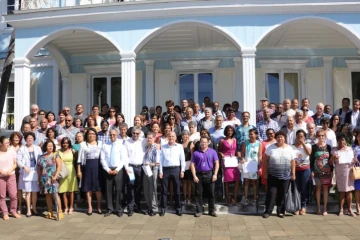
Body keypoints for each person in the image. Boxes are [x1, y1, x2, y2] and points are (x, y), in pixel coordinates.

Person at [263, 131, 296, 218]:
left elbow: (293, 162)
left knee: (282, 194)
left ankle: (280, 211)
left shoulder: (290, 148)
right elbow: (265, 160)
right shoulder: (270, 148)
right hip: (272, 175)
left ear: (284, 138)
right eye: (278, 137)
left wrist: (293, 174)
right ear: (276, 138)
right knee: (271, 193)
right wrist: (265, 172)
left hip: (286, 176)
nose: (280, 138)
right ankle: (268, 211)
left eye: (282, 137)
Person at [101, 129, 129, 217]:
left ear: (117, 135)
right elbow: (102, 159)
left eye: (114, 135)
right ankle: (110, 208)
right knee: (108, 190)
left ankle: (118, 209)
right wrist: (107, 169)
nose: (112, 136)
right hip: (108, 170)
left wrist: (117, 169)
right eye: (110, 135)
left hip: (118, 170)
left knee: (118, 189)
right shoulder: (105, 145)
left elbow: (123, 159)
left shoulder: (121, 145)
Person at [191, 136, 219, 217]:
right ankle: (199, 211)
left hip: (209, 174)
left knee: (211, 193)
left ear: (208, 143)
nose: (203, 143)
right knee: (198, 193)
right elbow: (192, 165)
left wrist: (215, 174)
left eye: (205, 142)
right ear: (200, 143)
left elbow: (216, 163)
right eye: (202, 142)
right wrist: (194, 175)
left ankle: (211, 210)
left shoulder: (213, 152)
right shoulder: (196, 153)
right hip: (199, 174)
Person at [77, 128, 103, 215]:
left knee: (98, 188)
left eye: (93, 134)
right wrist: (79, 171)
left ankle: (99, 206)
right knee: (88, 188)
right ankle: (90, 207)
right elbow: (79, 159)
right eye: (89, 134)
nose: (91, 135)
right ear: (87, 135)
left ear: (96, 135)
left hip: (98, 167)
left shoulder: (100, 144)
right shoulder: (83, 144)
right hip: (87, 167)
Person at [159, 131, 185, 216]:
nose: (171, 138)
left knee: (177, 190)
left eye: (173, 136)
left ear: (175, 137)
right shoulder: (163, 147)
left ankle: (178, 208)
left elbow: (182, 159)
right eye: (169, 136)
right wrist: (161, 171)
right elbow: (161, 160)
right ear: (167, 137)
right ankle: (163, 208)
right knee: (164, 190)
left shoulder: (179, 146)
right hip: (166, 170)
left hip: (176, 169)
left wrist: (182, 170)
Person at [331, 133, 356, 217]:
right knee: (341, 191)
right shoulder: (334, 150)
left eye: (343, 140)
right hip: (340, 172)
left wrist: (355, 160)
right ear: (337, 141)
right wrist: (334, 158)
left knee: (349, 191)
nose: (341, 142)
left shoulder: (349, 149)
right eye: (339, 140)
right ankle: (341, 209)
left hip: (349, 171)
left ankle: (349, 209)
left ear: (345, 141)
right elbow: (330, 162)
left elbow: (353, 160)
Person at [17, 132, 42, 217]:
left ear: (34, 139)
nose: (30, 139)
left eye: (31, 138)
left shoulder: (38, 148)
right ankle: (28, 210)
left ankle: (34, 208)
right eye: (28, 138)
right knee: (28, 192)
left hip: (35, 171)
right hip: (27, 172)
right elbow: (18, 161)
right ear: (25, 139)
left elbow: (40, 160)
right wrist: (24, 167)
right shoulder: (22, 149)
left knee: (35, 192)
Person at [37, 140, 63, 220]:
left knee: (55, 195)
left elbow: (59, 166)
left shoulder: (56, 155)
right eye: (48, 146)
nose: (50, 147)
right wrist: (38, 179)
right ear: (45, 147)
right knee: (47, 195)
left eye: (51, 146)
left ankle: (60, 211)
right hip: (44, 179)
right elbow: (39, 169)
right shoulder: (41, 157)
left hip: (53, 178)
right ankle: (50, 210)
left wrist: (55, 176)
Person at [124, 126, 147, 216]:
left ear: (140, 133)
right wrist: (126, 168)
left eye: (137, 133)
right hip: (131, 168)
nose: (135, 135)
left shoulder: (143, 141)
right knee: (130, 188)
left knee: (138, 188)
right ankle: (130, 208)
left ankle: (137, 207)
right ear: (131, 133)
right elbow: (125, 156)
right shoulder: (127, 142)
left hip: (140, 168)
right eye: (133, 133)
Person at [310, 129, 333, 215]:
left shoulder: (329, 147)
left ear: (325, 137)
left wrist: (331, 171)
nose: (321, 137)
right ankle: (318, 208)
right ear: (316, 136)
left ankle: (325, 208)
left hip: (326, 172)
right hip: (317, 171)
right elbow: (311, 160)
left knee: (326, 189)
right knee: (318, 189)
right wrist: (311, 170)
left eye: (322, 135)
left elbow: (330, 160)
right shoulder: (314, 147)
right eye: (319, 135)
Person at [0, 136, 21, 220]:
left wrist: (10, 170)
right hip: (1, 176)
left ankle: (13, 211)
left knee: (13, 194)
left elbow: (15, 163)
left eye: (8, 142)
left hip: (11, 175)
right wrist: (1, 171)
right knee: (2, 196)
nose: (8, 144)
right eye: (6, 143)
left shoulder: (11, 151)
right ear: (0, 144)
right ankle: (4, 212)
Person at [218, 125, 240, 205]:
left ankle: (234, 197)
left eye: (231, 130)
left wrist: (239, 155)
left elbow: (236, 150)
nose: (230, 132)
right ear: (226, 131)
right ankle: (228, 198)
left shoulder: (235, 140)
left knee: (237, 179)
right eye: (228, 130)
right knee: (227, 181)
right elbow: (219, 150)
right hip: (226, 162)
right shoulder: (222, 140)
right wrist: (221, 154)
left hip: (234, 161)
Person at [292, 129, 312, 215]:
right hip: (295, 170)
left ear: (304, 137)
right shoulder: (292, 147)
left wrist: (303, 143)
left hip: (305, 169)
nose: (300, 138)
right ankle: (296, 206)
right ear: (296, 137)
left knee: (304, 188)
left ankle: (303, 206)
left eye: (301, 136)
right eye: (298, 136)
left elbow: (309, 153)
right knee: (296, 188)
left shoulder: (308, 145)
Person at [241, 129, 262, 205]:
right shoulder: (245, 143)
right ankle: (246, 198)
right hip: (246, 165)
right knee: (246, 182)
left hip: (254, 165)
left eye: (252, 134)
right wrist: (242, 159)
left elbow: (260, 155)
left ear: (256, 135)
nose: (250, 135)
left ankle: (254, 199)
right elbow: (242, 154)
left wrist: (259, 164)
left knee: (254, 182)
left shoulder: (259, 143)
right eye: (249, 134)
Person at [58, 137, 78, 215]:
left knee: (71, 190)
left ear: (69, 143)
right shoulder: (58, 152)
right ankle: (65, 207)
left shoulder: (72, 151)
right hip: (62, 172)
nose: (65, 144)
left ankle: (71, 207)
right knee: (64, 191)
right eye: (63, 143)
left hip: (71, 171)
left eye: (66, 143)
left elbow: (77, 160)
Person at [142, 132, 160, 216]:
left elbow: (158, 162)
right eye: (147, 138)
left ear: (154, 138)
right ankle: (149, 207)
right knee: (146, 189)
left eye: (150, 138)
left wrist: (149, 164)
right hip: (146, 170)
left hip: (153, 170)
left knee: (152, 189)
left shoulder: (156, 148)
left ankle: (154, 208)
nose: (148, 139)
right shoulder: (146, 147)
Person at [9, 132, 22, 214]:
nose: (17, 139)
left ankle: (19, 206)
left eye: (18, 137)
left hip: (20, 170)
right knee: (12, 190)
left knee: (19, 189)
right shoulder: (9, 148)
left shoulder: (22, 147)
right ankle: (13, 206)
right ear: (12, 138)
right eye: (15, 137)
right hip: (12, 170)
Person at [181, 130, 194, 205]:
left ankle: (189, 198)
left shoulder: (190, 143)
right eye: (183, 134)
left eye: (186, 135)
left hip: (189, 164)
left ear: (188, 136)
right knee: (184, 182)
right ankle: (185, 198)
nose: (185, 136)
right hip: (183, 165)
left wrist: (191, 164)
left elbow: (193, 155)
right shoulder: (180, 144)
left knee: (189, 182)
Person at [352, 132, 360, 214]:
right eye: (359, 136)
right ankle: (358, 207)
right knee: (357, 189)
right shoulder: (354, 147)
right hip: (357, 170)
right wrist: (353, 159)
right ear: (357, 137)